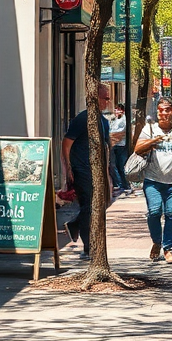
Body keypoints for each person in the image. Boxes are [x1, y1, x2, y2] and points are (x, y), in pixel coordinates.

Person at [133, 99, 172, 263]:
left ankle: (168, 249)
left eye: (167, 110)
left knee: (171, 215)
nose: (163, 113)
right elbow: (137, 148)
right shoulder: (149, 129)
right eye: (160, 110)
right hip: (152, 180)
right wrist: (154, 140)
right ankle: (157, 242)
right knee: (154, 212)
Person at [62, 83, 112, 259]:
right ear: (95, 98)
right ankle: (88, 246)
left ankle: (75, 224)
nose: (107, 102)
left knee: (99, 204)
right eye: (105, 98)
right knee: (89, 206)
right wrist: (68, 169)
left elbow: (106, 148)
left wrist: (108, 174)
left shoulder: (104, 121)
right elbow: (66, 144)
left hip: (97, 170)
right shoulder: (82, 119)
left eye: (108, 98)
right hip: (81, 168)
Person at [108, 105, 130, 196]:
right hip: (115, 145)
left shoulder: (123, 120)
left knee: (120, 166)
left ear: (123, 111)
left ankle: (123, 185)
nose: (116, 111)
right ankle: (121, 185)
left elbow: (118, 133)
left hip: (121, 145)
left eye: (119, 110)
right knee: (114, 166)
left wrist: (111, 137)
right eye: (116, 109)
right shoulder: (115, 120)